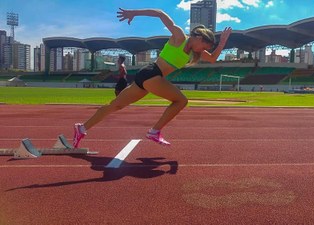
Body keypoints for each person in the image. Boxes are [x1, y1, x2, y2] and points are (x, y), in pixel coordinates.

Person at [73, 8, 232, 147]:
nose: (202, 50)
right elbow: (160, 13)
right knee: (181, 101)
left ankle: (81, 128)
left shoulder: (193, 52)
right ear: (198, 38)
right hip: (152, 73)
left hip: (148, 76)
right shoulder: (179, 37)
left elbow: (212, 58)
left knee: (116, 105)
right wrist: (133, 13)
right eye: (204, 46)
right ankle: (154, 131)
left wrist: (223, 41)